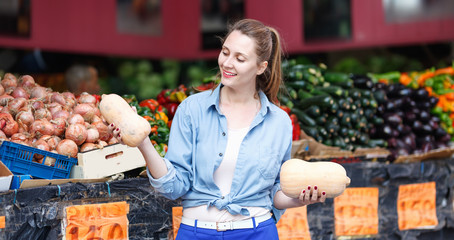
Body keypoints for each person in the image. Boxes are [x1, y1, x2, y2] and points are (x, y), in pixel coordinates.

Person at [111, 19, 326, 239]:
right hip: (196, 232)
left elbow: (276, 193)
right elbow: (174, 187)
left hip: (257, 231)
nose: (227, 63)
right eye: (225, 52)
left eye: (240, 58)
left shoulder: (278, 121)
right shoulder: (191, 110)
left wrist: (299, 199)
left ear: (261, 67)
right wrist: (143, 143)